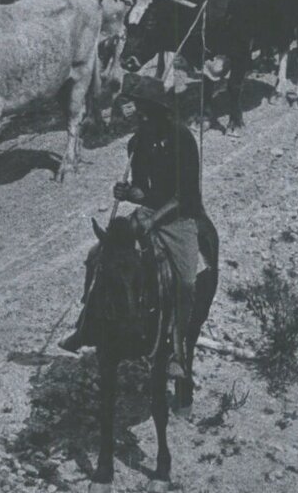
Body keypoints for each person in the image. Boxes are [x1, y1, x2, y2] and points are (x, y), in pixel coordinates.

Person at [58, 75, 217, 383]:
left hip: (180, 217)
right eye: (137, 111)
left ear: (159, 112)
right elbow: (146, 191)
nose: (138, 117)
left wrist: (152, 218)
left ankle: (178, 352)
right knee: (99, 255)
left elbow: (186, 196)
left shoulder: (182, 139)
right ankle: (85, 326)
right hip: (148, 213)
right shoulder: (137, 143)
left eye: (144, 111)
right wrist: (130, 193)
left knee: (185, 281)